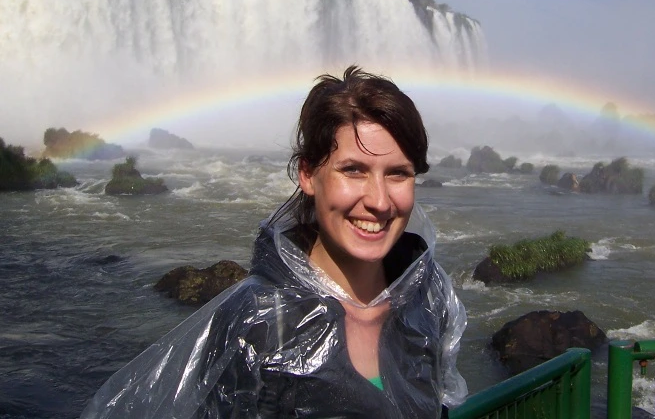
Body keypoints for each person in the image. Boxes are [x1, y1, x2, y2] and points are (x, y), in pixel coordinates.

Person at [81, 66, 468, 418]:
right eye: (353, 170)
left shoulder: (427, 296)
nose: (380, 201)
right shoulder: (259, 322)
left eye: (398, 174)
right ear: (308, 174)